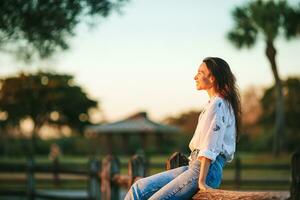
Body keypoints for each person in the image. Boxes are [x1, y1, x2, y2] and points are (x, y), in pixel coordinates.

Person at [124, 57, 241, 200]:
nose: (195, 77)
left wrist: (201, 181)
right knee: (138, 188)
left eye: (200, 72)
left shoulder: (218, 104)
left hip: (204, 170)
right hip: (195, 166)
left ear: (212, 78)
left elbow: (210, 146)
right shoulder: (217, 103)